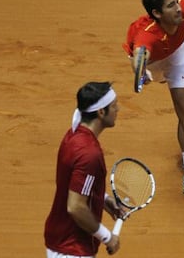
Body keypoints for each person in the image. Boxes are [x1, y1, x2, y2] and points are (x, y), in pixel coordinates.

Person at [122, 0, 184, 199]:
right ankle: (150, 76)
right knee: (145, 68)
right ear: (157, 13)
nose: (178, 8)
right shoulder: (146, 34)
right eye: (171, 5)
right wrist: (141, 73)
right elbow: (139, 55)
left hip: (178, 54)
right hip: (152, 62)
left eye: (177, 1)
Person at [44, 81, 125, 257]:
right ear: (101, 112)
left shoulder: (73, 135)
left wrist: (102, 199)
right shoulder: (90, 154)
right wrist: (107, 237)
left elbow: (74, 184)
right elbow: (75, 207)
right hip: (72, 248)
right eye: (114, 106)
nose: (118, 109)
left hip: (59, 240)